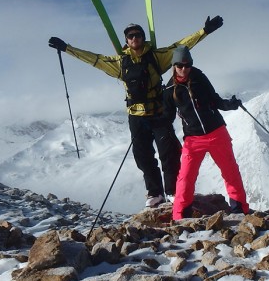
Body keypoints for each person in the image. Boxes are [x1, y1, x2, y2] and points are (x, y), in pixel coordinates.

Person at [48, 16, 223, 208]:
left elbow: (180, 46)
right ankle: (155, 193)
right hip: (136, 116)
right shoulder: (119, 63)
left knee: (169, 153)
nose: (135, 38)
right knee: (143, 156)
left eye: (138, 35)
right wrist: (67, 48)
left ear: (143, 37)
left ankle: (173, 191)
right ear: (126, 40)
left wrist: (204, 31)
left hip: (159, 114)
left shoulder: (156, 56)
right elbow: (94, 59)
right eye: (131, 36)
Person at [162, 45, 250, 220]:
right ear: (174, 66)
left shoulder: (199, 78)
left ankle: (240, 210)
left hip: (217, 132)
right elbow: (167, 117)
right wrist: (152, 124)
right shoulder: (169, 89)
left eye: (187, 65)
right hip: (193, 140)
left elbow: (215, 100)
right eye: (180, 65)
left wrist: (229, 105)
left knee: (230, 171)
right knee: (185, 178)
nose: (184, 69)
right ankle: (180, 218)